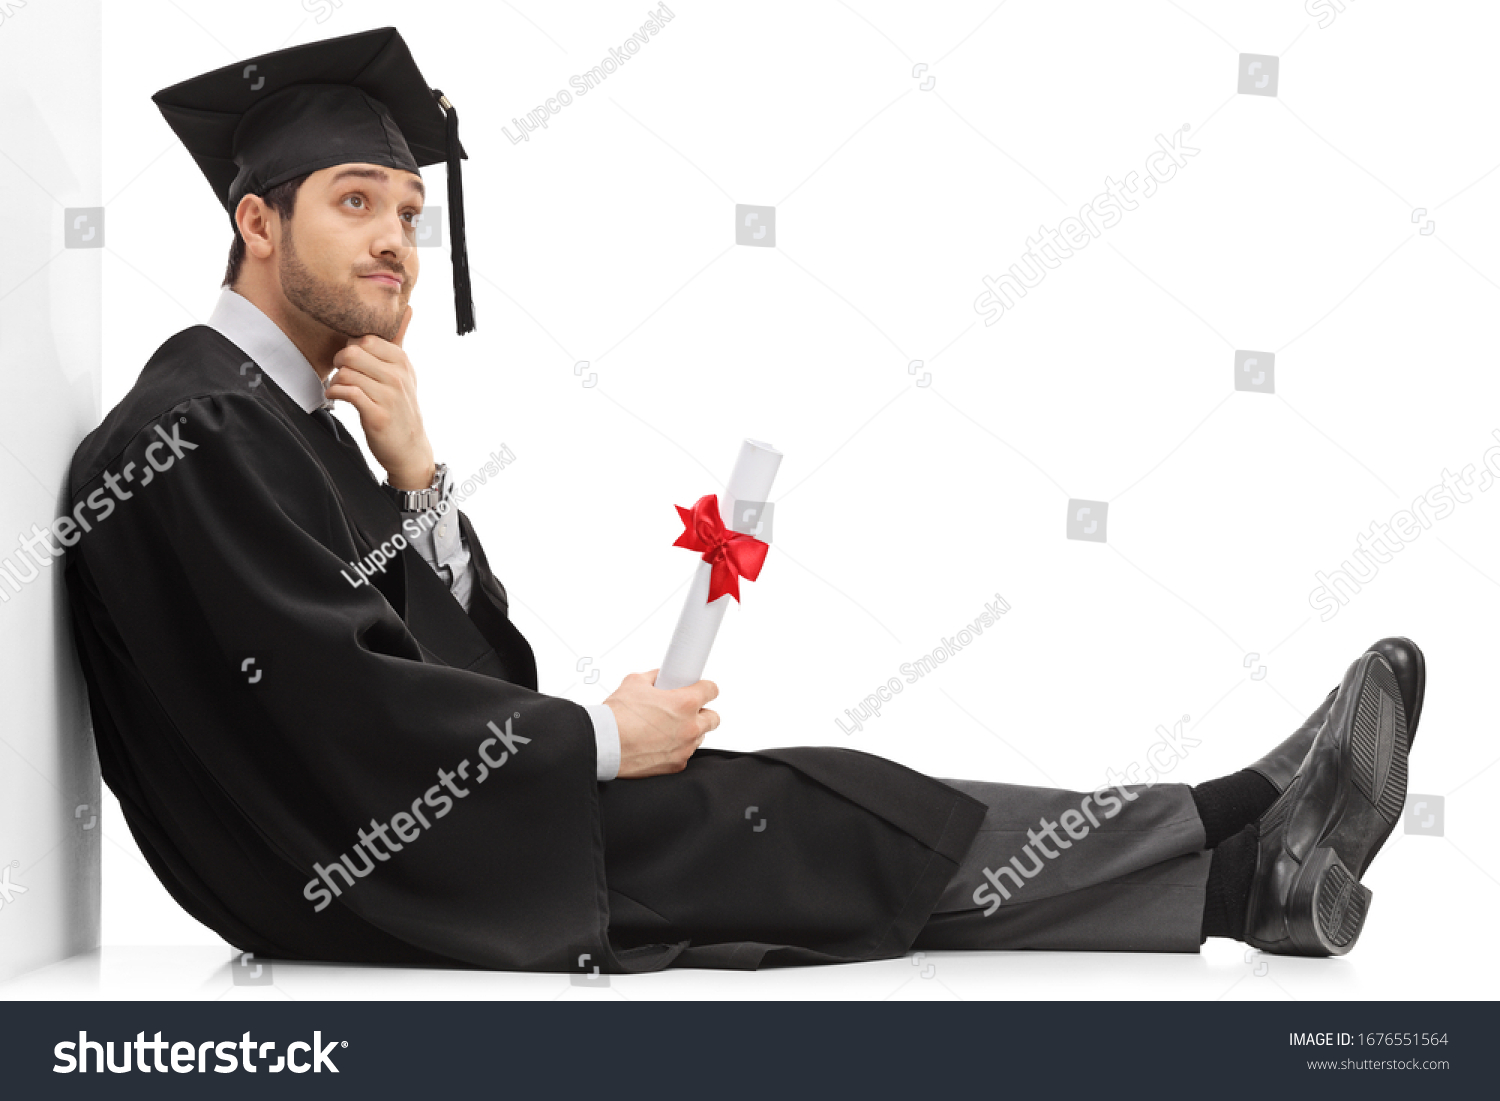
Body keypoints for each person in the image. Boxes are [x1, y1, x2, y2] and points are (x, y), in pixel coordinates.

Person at [63, 27, 1423, 975]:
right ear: (255, 223)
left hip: (428, 856)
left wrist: (421, 483)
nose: (394, 244)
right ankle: (1244, 825)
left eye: (410, 213)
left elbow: (472, 673)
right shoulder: (190, 432)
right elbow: (345, 713)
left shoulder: (305, 432)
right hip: (390, 885)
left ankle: (1252, 866)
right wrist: (597, 736)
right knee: (828, 820)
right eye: (357, 201)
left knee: (830, 824)